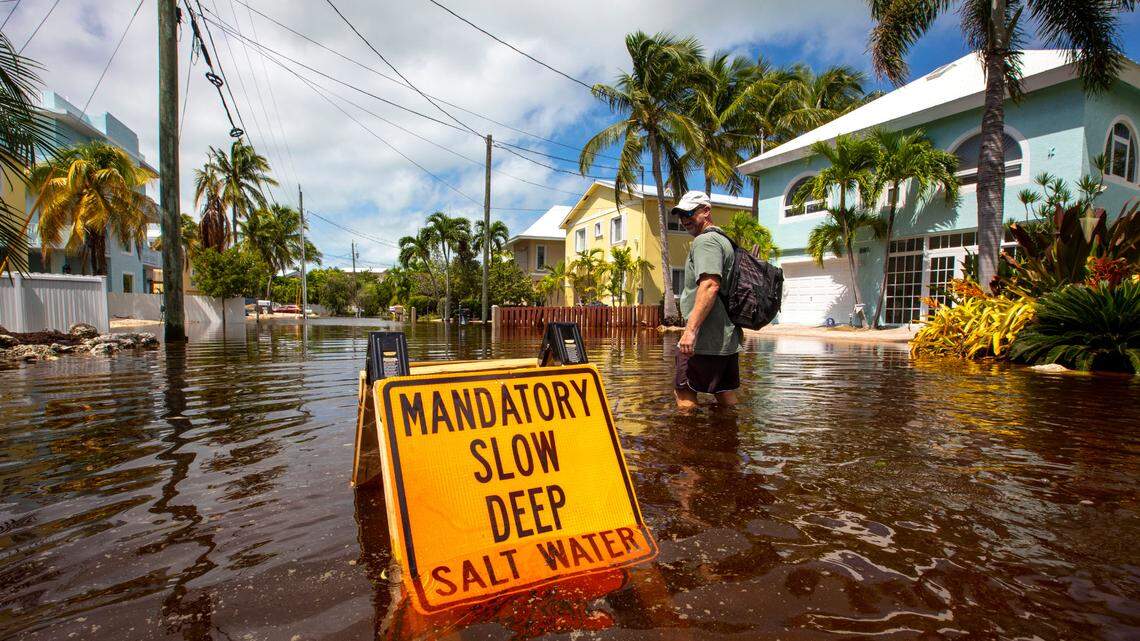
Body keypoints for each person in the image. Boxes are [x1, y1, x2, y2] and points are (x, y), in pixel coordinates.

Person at [671, 190, 742, 410]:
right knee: (723, 392)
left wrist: (690, 331)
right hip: (725, 338)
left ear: (706, 211)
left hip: (705, 338)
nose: (684, 220)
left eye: (689, 213)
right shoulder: (724, 240)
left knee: (684, 392)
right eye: (680, 215)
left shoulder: (706, 241)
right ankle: (730, 441)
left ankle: (689, 444)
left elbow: (710, 285)